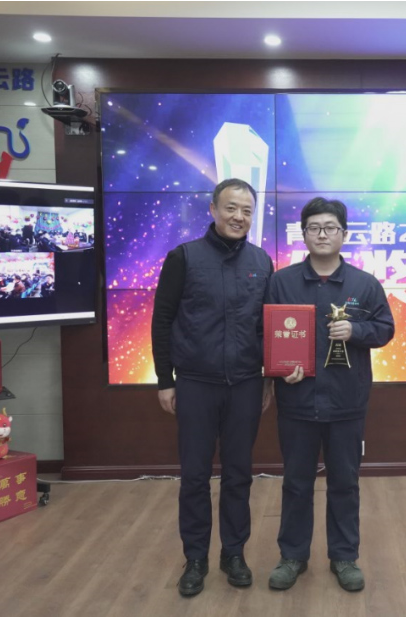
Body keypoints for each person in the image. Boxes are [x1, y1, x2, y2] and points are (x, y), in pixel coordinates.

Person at [151, 178, 274, 597]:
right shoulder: (184, 257)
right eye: (231, 208)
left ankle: (233, 553)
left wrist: (269, 378)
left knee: (239, 474)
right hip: (195, 384)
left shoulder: (261, 261)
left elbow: (267, 327)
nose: (239, 216)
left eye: (247, 210)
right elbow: (162, 320)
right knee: (195, 476)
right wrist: (165, 380)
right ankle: (196, 558)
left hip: (245, 384)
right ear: (213, 210)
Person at [266, 197, 394, 593]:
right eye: (314, 227)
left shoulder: (364, 284)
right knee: (296, 483)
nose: (322, 234)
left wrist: (356, 331)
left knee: (345, 483)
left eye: (330, 227)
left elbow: (385, 329)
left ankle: (344, 556)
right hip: (297, 402)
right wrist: (279, 369)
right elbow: (265, 335)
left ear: (344, 234)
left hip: (346, 402)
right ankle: (292, 556)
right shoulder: (282, 282)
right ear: (303, 234)